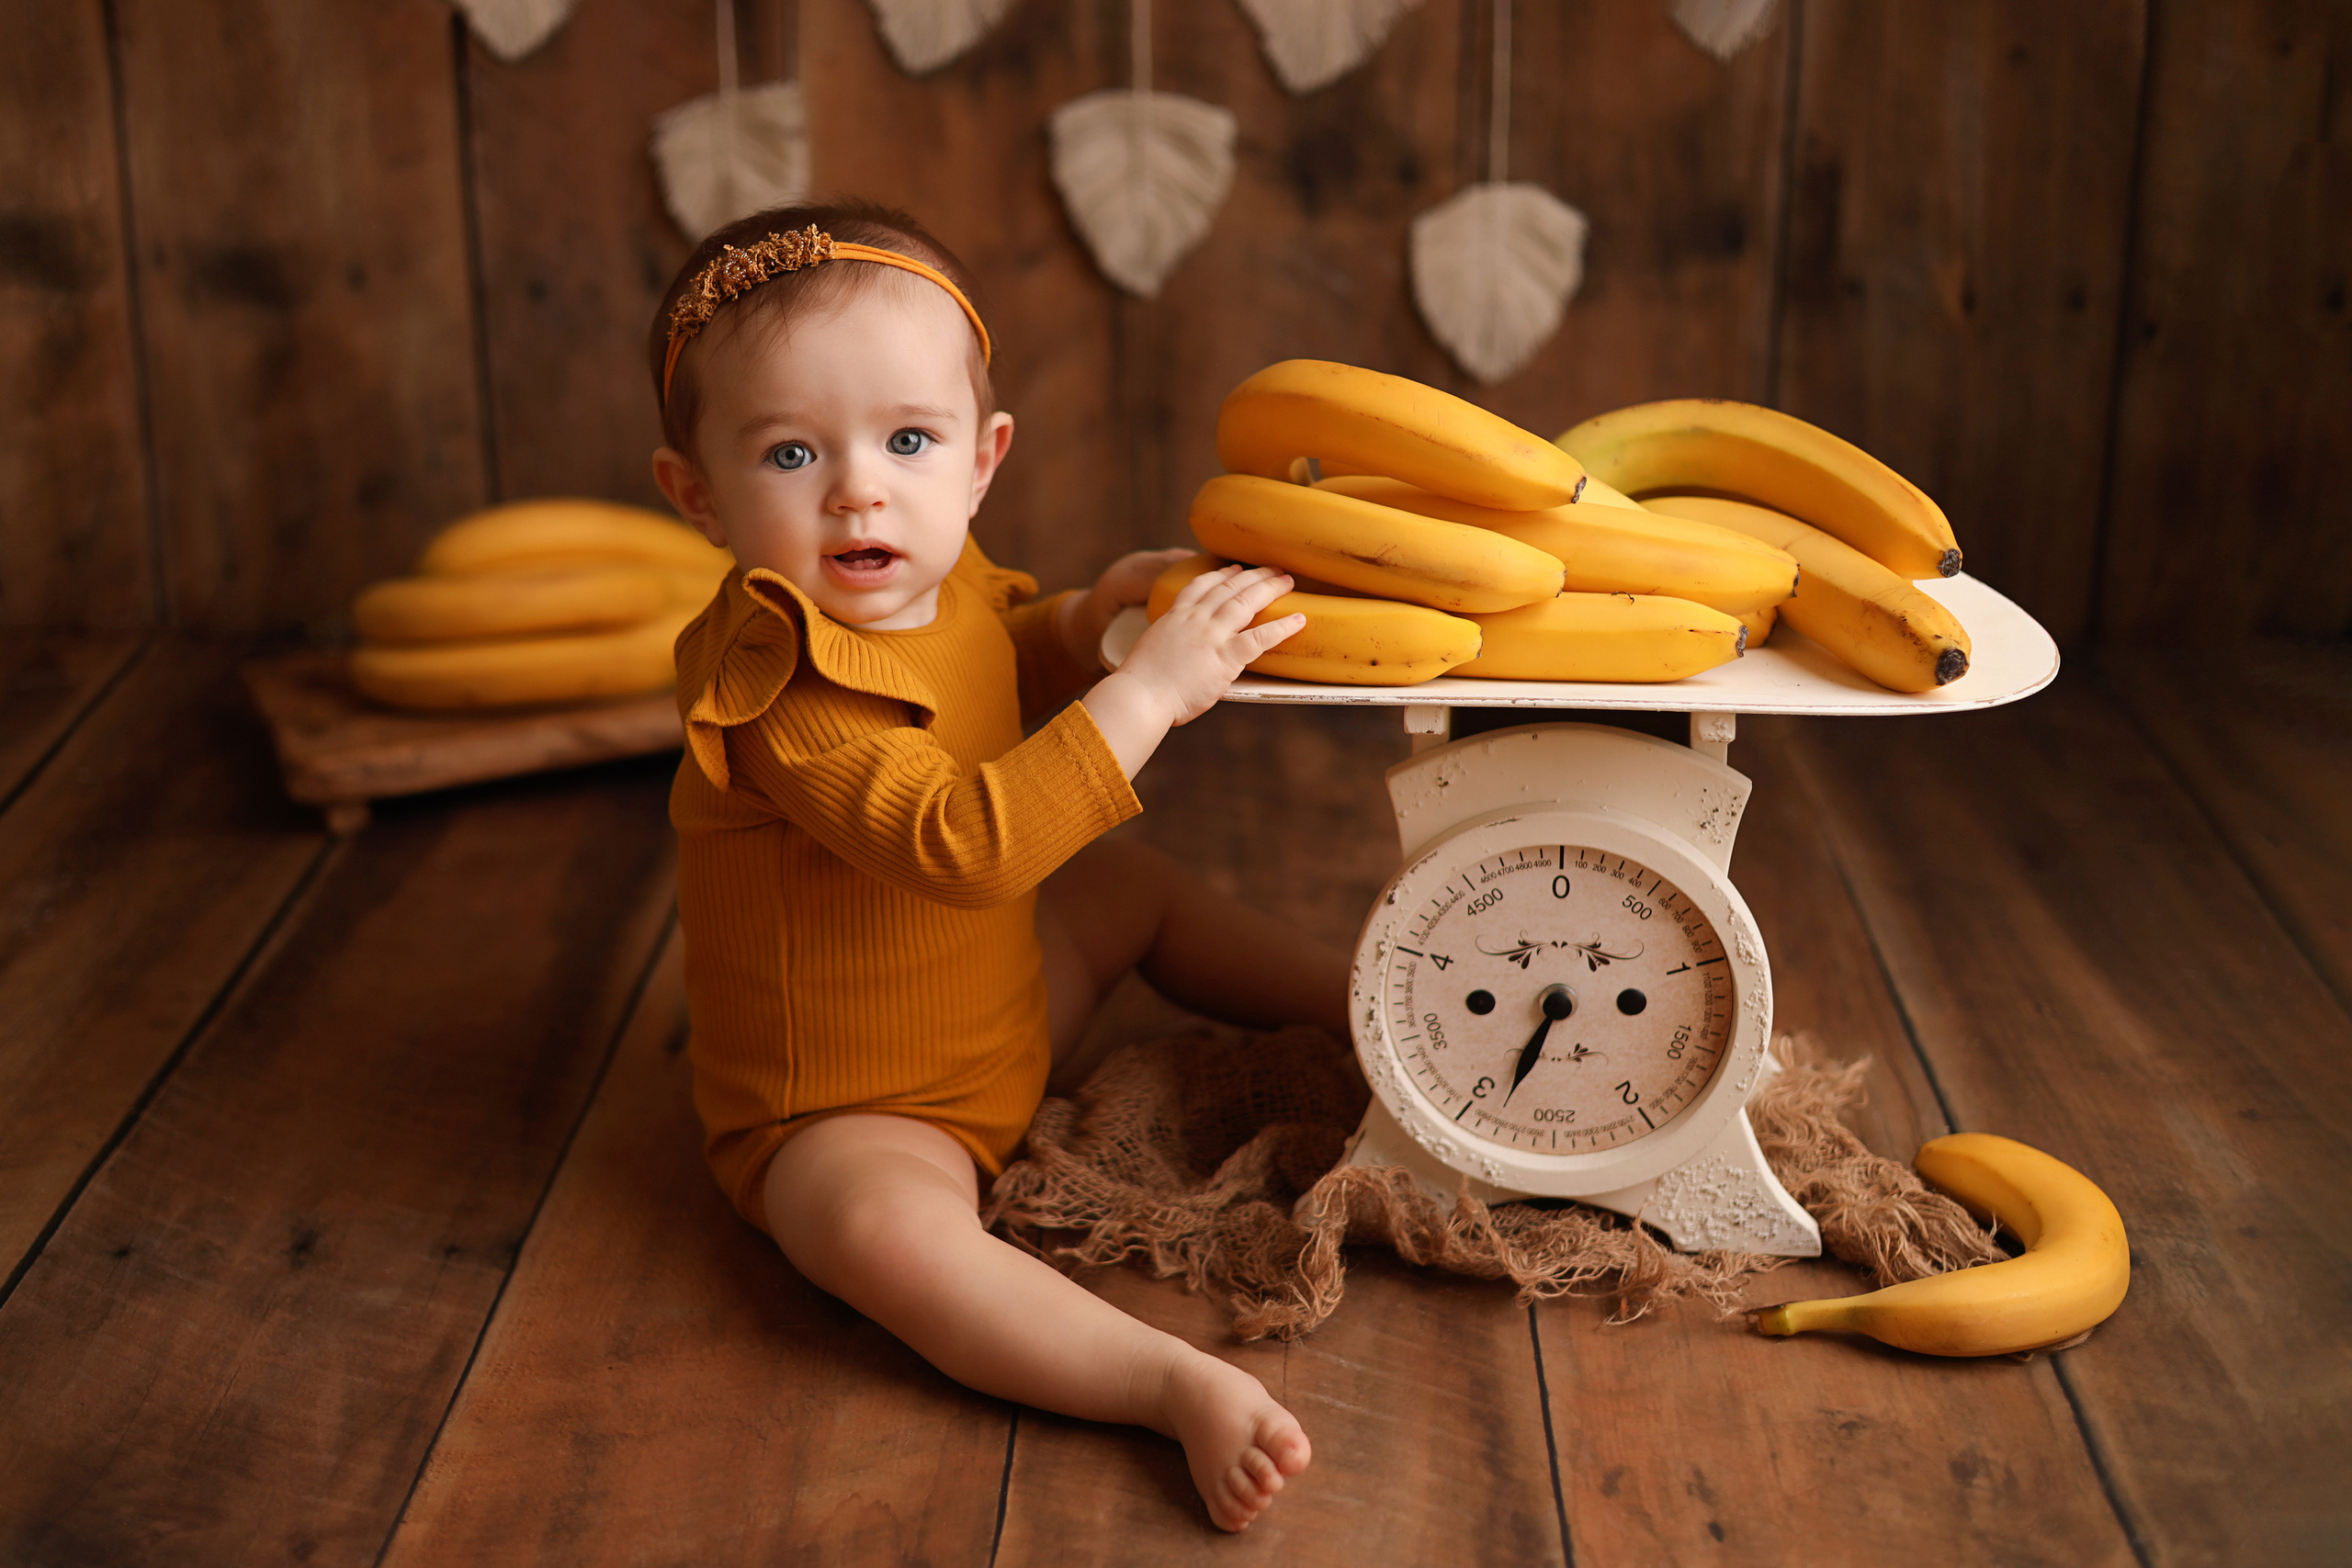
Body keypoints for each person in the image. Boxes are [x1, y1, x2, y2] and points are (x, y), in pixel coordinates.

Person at [650, 201, 1345, 1531]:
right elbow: (963, 847)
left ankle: (1367, 1014)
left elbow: (1000, 653)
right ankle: (1161, 1383)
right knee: (883, 1241)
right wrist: (1148, 695)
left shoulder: (931, 580)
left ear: (980, 459)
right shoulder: (778, 681)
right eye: (791, 452)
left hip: (1002, 1017)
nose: (861, 488)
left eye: (908, 441)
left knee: (1130, 890)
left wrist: (1091, 621)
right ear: (698, 492)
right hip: (849, 1114)